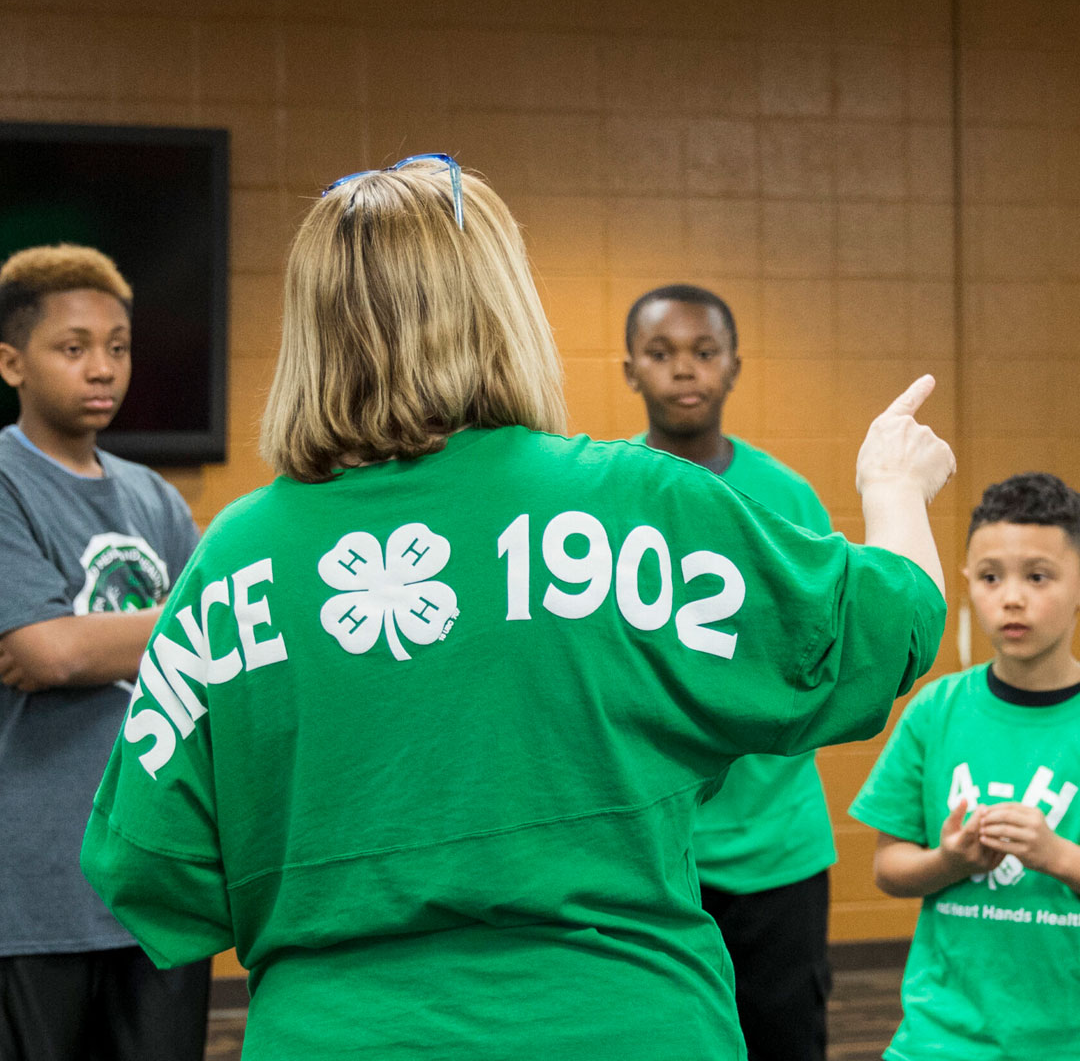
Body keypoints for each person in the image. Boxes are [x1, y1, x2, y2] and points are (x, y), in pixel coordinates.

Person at [81, 156, 954, 1061]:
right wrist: (894, 487)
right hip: (617, 1025)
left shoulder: (233, 555)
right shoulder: (630, 505)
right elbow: (880, 631)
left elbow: (149, 867)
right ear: (502, 310)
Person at [0, 244, 209, 1061]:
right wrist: (153, 629)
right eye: (73, 346)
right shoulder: (7, 481)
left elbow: (215, 641)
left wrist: (81, 641)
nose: (103, 369)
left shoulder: (153, 495)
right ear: (11, 362)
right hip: (37, 891)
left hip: (156, 884)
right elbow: (45, 655)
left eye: (117, 347)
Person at [623, 283, 835, 1061]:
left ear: (734, 367)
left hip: (779, 849)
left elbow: (820, 655)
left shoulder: (787, 498)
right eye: (662, 353)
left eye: (704, 352)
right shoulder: (600, 495)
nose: (685, 371)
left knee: (786, 1043)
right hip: (651, 856)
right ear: (629, 369)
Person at [849, 472, 1080, 1061]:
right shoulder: (936, 710)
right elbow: (889, 866)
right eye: (989, 577)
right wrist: (948, 861)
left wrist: (1058, 857)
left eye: (1038, 576)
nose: (1011, 597)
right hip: (939, 1038)